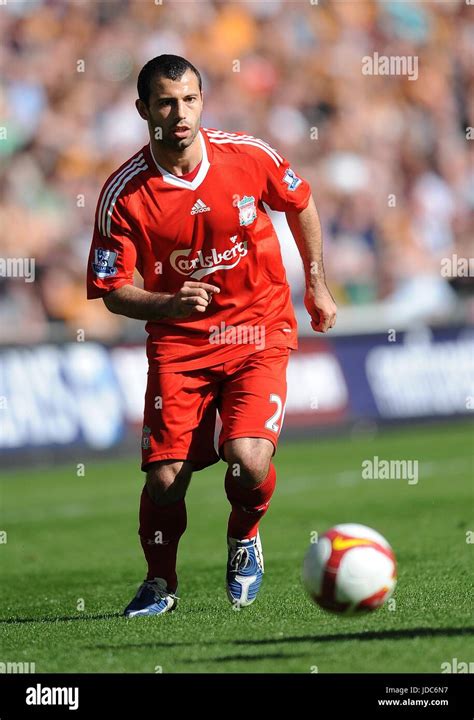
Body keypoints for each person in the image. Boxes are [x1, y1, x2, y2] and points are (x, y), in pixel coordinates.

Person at [86, 54, 337, 617]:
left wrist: (317, 283)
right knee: (166, 479)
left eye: (191, 99)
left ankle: (244, 535)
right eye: (167, 102)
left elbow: (301, 202)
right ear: (143, 109)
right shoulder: (124, 194)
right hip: (181, 343)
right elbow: (111, 289)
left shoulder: (248, 156)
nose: (181, 113)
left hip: (259, 328)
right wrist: (169, 303)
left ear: (204, 101)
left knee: (247, 460)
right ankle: (160, 584)